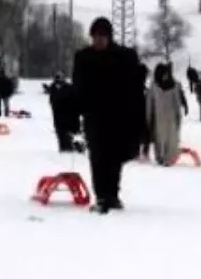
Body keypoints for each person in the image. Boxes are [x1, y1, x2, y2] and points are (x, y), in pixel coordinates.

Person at [74, 17, 143, 213]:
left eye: (102, 36)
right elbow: (78, 86)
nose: (98, 40)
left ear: (109, 37)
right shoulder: (83, 57)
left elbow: (133, 86)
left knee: (114, 157)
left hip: (118, 117)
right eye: (95, 36)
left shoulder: (123, 56)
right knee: (98, 157)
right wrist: (76, 108)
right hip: (94, 117)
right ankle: (102, 195)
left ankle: (112, 194)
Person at [146, 63, 186, 165]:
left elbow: (177, 103)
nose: (165, 76)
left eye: (167, 74)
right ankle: (160, 157)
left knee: (171, 138)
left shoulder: (174, 85)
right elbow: (149, 103)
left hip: (171, 116)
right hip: (158, 117)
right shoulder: (153, 86)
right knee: (159, 139)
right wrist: (148, 118)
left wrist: (179, 117)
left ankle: (169, 158)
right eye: (163, 74)